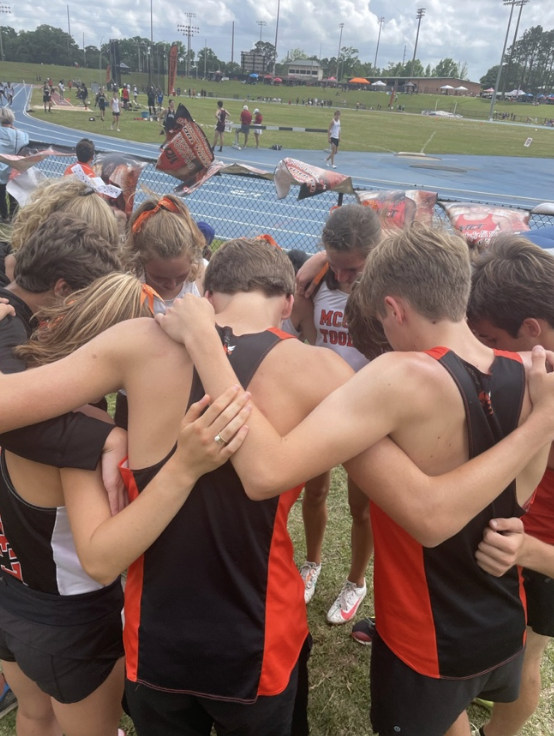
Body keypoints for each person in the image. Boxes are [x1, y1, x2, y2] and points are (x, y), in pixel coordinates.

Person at [3, 235, 554, 735]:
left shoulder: (136, 343)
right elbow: (419, 505)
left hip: (155, 639)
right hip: (260, 638)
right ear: (289, 303)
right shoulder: (320, 371)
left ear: (209, 293)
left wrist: (98, 433)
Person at [0, 271, 248, 736]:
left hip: (10, 595)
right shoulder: (83, 429)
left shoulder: (17, 384)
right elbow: (99, 558)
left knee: (34, 715)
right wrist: (185, 467)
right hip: (70, 622)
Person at [467, 234, 554, 736]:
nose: (489, 355)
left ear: (531, 328)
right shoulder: (537, 355)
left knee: (527, 659)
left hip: (535, 556)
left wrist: (532, 552)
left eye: (494, 342)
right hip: (512, 542)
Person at [288, 205, 381, 623]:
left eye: (354, 268)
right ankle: (312, 563)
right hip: (322, 408)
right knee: (315, 492)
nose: (345, 277)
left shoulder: (388, 291)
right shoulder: (314, 284)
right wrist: (316, 265)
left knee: (362, 509)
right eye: (337, 266)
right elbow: (303, 336)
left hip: (370, 414)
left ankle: (356, 582)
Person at [0, 108, 29, 224]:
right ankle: (13, 217)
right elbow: (25, 143)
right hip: (13, 169)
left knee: (1, 194)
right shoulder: (21, 135)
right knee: (13, 195)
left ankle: (4, 216)